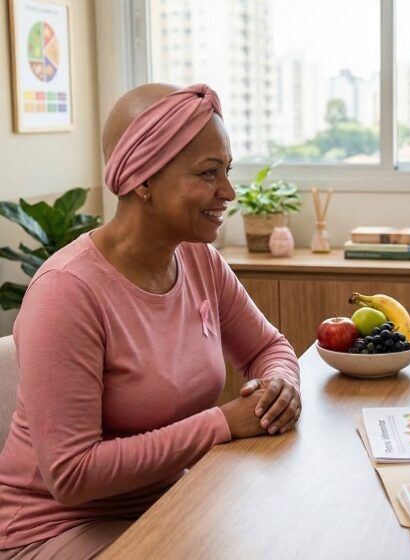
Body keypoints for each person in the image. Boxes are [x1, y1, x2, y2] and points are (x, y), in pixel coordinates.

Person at [0, 83, 301, 557]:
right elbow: (72, 475)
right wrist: (221, 423)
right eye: (208, 173)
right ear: (141, 179)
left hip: (166, 502)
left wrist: (281, 386)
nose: (229, 192)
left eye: (227, 171)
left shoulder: (199, 260)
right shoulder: (67, 292)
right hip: (56, 530)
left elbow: (269, 348)